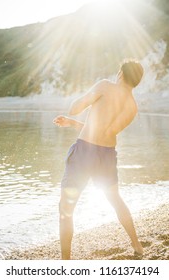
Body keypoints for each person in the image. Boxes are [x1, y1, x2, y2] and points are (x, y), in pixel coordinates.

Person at [53, 59, 144, 260]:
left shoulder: (105, 86)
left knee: (66, 208)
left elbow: (74, 107)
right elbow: (106, 132)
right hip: (107, 155)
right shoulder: (132, 107)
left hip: (84, 152)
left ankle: (65, 262)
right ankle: (137, 246)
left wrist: (82, 107)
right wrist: (74, 124)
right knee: (116, 200)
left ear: (120, 73)